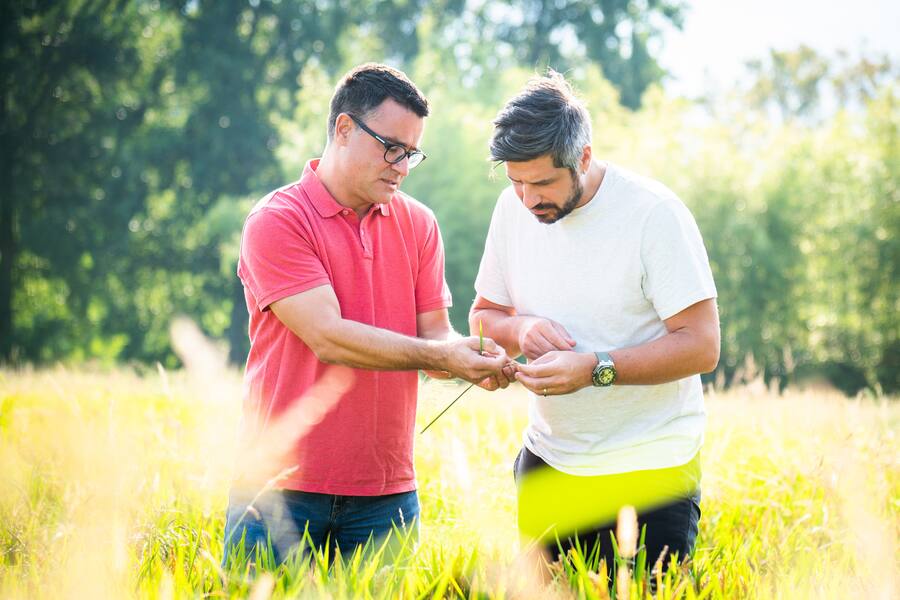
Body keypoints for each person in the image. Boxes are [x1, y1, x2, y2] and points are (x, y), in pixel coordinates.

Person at [224, 63, 511, 566]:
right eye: (391, 147)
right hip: (277, 491)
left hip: (387, 495)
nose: (402, 165)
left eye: (412, 153)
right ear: (343, 129)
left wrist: (472, 356)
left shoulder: (420, 224)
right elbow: (329, 337)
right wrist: (443, 354)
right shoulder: (278, 221)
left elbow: (434, 337)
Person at [469, 71, 720, 574]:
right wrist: (519, 330)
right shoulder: (511, 210)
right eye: (516, 181)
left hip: (651, 469)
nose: (527, 199)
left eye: (542, 183)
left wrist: (594, 368)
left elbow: (702, 346)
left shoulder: (655, 215)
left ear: (582, 157)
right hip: (549, 464)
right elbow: (483, 316)